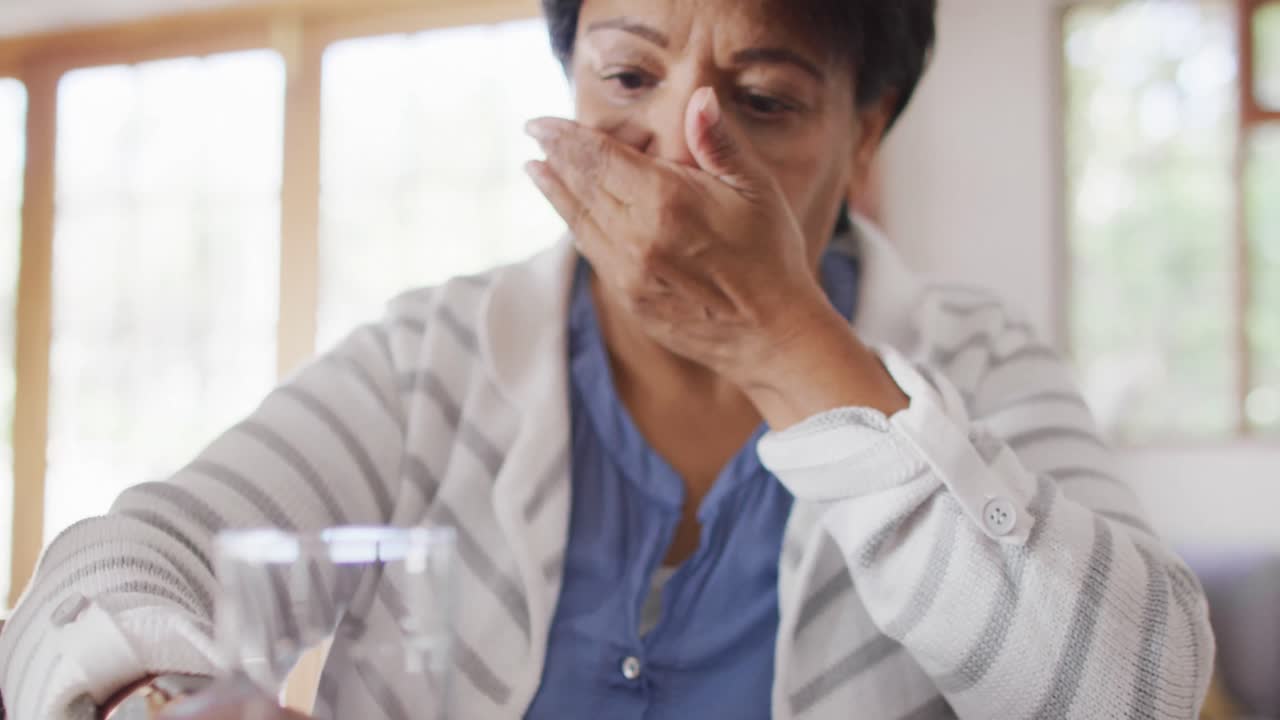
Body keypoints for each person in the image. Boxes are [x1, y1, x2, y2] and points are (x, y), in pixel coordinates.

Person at [0, 0, 1214, 718]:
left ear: (866, 133)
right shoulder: (435, 359)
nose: (685, 148)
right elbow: (115, 562)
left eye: (768, 99)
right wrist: (156, 700)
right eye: (628, 74)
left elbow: (1144, 684)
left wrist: (784, 342)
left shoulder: (973, 355)